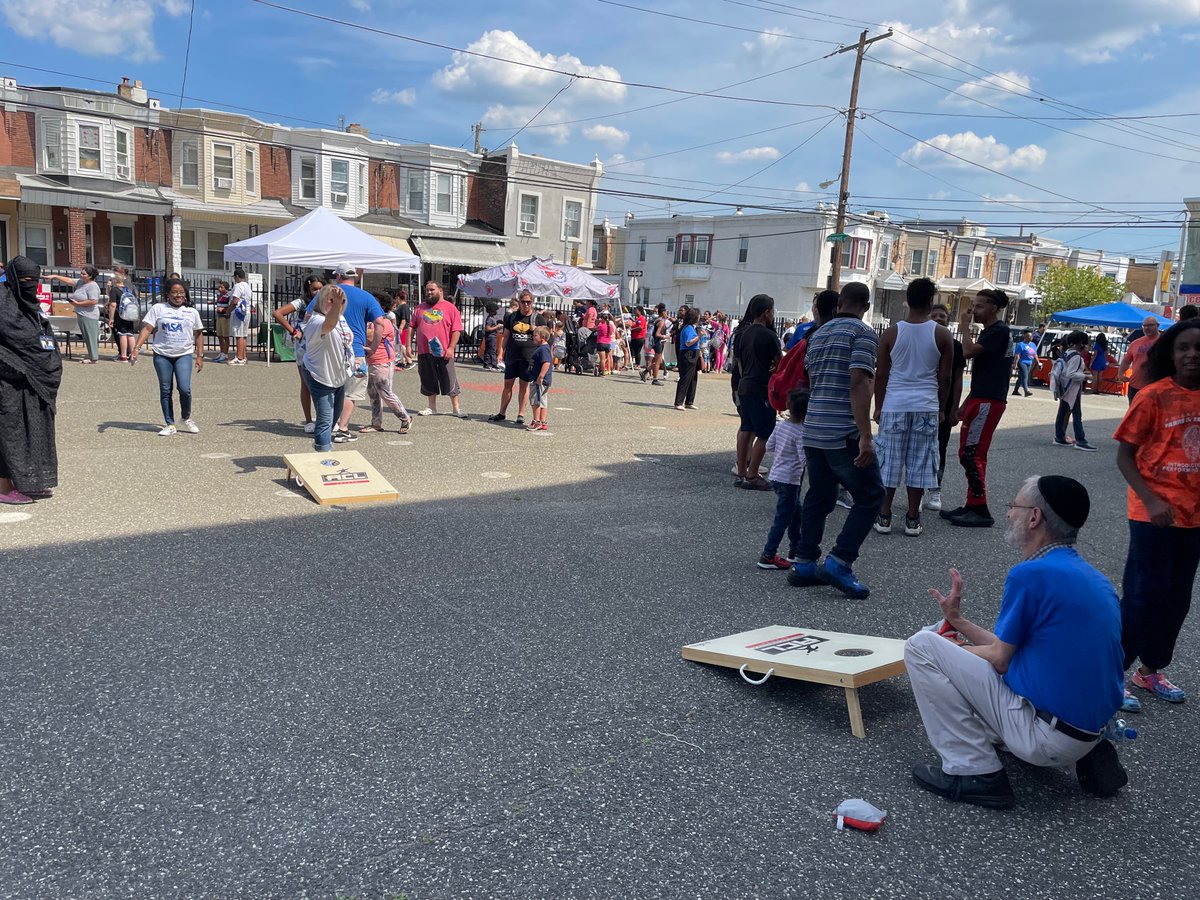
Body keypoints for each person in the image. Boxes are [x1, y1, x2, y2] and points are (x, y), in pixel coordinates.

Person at [905, 475, 1124, 810]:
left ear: (1034, 517)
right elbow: (1010, 649)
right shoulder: (1093, 578)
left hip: (1049, 738)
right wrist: (958, 622)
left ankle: (974, 771)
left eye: (1014, 506)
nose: (1008, 514)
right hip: (1088, 731)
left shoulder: (1030, 574)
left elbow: (1000, 659)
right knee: (947, 649)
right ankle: (1080, 754)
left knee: (922, 645)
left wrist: (955, 648)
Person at [1114, 319, 1200, 709]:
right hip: (1153, 515)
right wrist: (1150, 500)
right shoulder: (1153, 396)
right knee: (1141, 597)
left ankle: (1149, 671)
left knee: (1177, 599)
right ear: (1171, 353)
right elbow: (1125, 456)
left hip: (1193, 518)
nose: (1192, 355)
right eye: (1184, 347)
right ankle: (1113, 674)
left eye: (1199, 348)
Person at [786, 282, 883, 599]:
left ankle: (804, 562)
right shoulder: (863, 333)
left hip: (815, 427)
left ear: (839, 303)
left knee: (819, 495)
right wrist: (865, 435)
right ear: (865, 306)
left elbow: (814, 381)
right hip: (843, 430)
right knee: (871, 495)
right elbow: (858, 382)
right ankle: (840, 561)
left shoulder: (817, 335)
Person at [872, 277, 953, 538]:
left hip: (895, 403)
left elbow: (881, 374)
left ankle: (884, 515)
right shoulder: (942, 334)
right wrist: (942, 408)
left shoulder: (890, 333)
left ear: (907, 301)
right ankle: (912, 517)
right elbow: (945, 377)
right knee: (919, 461)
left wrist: (878, 406)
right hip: (926, 404)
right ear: (931, 302)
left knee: (889, 460)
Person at [941, 290, 1013, 529]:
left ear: (994, 308)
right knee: (969, 452)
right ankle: (972, 503)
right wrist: (965, 404)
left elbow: (967, 352)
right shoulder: (991, 332)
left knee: (972, 454)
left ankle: (980, 508)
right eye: (973, 305)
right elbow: (987, 374)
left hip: (988, 401)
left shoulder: (999, 331)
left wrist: (964, 327)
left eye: (979, 306)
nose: (973, 310)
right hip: (982, 398)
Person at [0, 256, 61, 504]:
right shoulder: (3, 304)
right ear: (13, 279)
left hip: (36, 381)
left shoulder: (32, 306)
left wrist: (49, 364)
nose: (30, 285)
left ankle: (28, 480)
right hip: (8, 380)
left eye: (34, 281)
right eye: (25, 280)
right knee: (9, 431)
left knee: (33, 430)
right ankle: (4, 487)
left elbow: (43, 336)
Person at [311, 263, 388, 440]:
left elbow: (310, 316)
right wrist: (373, 348)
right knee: (351, 392)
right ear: (354, 277)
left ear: (338, 276)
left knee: (329, 388)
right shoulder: (366, 296)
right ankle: (342, 428)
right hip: (356, 351)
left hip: (328, 351)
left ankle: (328, 424)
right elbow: (380, 323)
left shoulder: (327, 293)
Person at [131, 277, 204, 436]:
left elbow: (198, 333)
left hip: (183, 354)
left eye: (181, 292)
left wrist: (200, 356)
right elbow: (147, 328)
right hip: (162, 355)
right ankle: (170, 424)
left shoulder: (191, 312)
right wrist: (136, 348)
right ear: (167, 294)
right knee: (165, 389)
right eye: (174, 292)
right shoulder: (158, 308)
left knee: (184, 389)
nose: (178, 295)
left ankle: (186, 417)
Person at [732, 294, 782, 491]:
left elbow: (740, 364)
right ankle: (753, 474)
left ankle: (742, 472)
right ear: (767, 312)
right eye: (772, 311)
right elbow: (780, 364)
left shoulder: (743, 334)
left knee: (746, 427)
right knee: (764, 432)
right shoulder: (769, 336)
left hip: (744, 384)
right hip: (761, 387)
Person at [757, 388, 809, 570]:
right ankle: (768, 554)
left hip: (777, 476)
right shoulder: (801, 433)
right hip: (790, 480)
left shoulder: (780, 426)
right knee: (783, 519)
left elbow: (769, 446)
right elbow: (804, 459)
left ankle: (795, 549)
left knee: (796, 514)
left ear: (788, 405)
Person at [301, 285, 353, 453]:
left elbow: (346, 340)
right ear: (322, 300)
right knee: (325, 419)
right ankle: (323, 453)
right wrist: (336, 305)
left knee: (333, 419)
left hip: (338, 377)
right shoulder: (316, 320)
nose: (337, 304)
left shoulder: (341, 318)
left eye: (342, 301)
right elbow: (329, 324)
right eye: (331, 300)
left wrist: (354, 360)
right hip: (320, 375)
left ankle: (320, 444)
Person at [926, 305, 965, 514]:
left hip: (945, 403)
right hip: (922, 401)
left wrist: (954, 407)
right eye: (934, 315)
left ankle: (935, 489)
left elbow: (957, 378)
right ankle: (915, 490)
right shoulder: (922, 341)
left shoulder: (955, 345)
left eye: (942, 316)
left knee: (939, 447)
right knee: (916, 448)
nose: (938, 318)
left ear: (948, 320)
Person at [272, 274, 322, 433]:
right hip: (304, 346)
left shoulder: (327, 302)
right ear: (308, 288)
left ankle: (323, 418)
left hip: (321, 345)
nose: (318, 292)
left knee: (323, 383)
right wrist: (294, 332)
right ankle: (308, 420)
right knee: (306, 383)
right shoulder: (301, 302)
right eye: (314, 289)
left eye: (321, 288)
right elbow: (277, 313)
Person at [358, 292, 412, 435]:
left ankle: (405, 417)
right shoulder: (372, 322)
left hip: (382, 362)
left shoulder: (384, 322)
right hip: (372, 361)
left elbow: (369, 337)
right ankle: (376, 423)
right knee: (373, 393)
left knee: (385, 392)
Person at [411, 281, 465, 417]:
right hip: (425, 351)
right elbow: (412, 326)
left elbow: (457, 330)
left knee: (449, 378)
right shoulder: (420, 308)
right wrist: (407, 346)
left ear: (440, 291)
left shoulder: (450, 308)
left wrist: (451, 348)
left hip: (444, 351)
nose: (429, 292)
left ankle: (456, 409)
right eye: (427, 290)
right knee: (428, 378)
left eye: (432, 290)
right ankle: (432, 407)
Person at [489, 289, 537, 424]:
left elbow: (545, 337)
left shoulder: (537, 318)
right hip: (512, 355)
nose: (526, 304)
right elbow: (506, 336)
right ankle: (502, 412)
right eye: (523, 302)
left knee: (524, 385)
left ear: (532, 302)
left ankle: (521, 414)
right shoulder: (512, 317)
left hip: (528, 356)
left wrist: (535, 330)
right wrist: (500, 352)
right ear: (519, 302)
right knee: (508, 384)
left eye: (528, 302)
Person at [1051, 330, 1097, 451]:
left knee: (1062, 412)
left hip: (1064, 387)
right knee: (1077, 414)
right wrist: (1085, 376)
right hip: (1073, 388)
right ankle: (1080, 440)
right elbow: (1071, 373)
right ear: (1080, 343)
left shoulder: (1067, 353)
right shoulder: (1076, 356)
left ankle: (1059, 436)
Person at [45, 266, 102, 364]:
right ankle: (92, 356)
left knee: (91, 336)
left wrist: (78, 304)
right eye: (81, 273)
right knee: (86, 336)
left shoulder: (92, 286)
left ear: (90, 276)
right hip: (81, 313)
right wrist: (55, 276)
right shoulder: (81, 282)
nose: (81, 275)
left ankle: (93, 358)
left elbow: (93, 301)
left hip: (89, 314)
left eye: (84, 274)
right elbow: (69, 281)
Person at [1118, 316, 1161, 405]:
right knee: (1134, 410)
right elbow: (1126, 361)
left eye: (1150, 325)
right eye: (1144, 326)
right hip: (1135, 385)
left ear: (1157, 326)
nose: (1146, 328)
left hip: (1156, 386)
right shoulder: (1136, 343)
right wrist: (1121, 374)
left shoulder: (1165, 341)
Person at [106, 267, 140, 363]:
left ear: (115, 280)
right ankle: (133, 356)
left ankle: (123, 356)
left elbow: (113, 304)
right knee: (130, 334)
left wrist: (111, 318)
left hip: (120, 315)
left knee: (122, 334)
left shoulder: (115, 290)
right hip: (130, 315)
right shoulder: (128, 290)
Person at [674, 307, 701, 411]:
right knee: (685, 378)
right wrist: (699, 336)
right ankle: (678, 402)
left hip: (693, 353)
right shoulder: (688, 328)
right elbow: (688, 342)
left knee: (693, 378)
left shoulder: (691, 327)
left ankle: (689, 401)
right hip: (688, 354)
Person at [527, 326, 553, 432]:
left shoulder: (543, 349)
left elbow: (546, 363)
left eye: (535, 335)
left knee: (535, 401)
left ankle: (537, 421)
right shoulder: (543, 348)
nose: (533, 337)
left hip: (540, 380)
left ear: (542, 337)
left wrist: (540, 376)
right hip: (542, 380)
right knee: (542, 400)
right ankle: (543, 422)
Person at [227, 268, 253, 366]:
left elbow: (235, 301)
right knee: (244, 335)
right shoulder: (247, 286)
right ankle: (244, 356)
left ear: (237, 276)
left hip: (238, 312)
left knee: (239, 335)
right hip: (246, 311)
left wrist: (228, 311)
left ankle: (239, 358)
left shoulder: (238, 286)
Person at [642, 303, 670, 385]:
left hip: (654, 342)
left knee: (659, 361)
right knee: (658, 362)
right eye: (666, 312)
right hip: (658, 342)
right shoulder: (661, 322)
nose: (667, 314)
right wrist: (665, 336)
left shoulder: (656, 320)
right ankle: (655, 379)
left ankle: (645, 371)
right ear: (663, 312)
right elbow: (657, 334)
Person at [391, 288, 413, 368]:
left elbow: (404, 320)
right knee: (400, 345)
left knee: (402, 345)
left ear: (398, 298)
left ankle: (409, 361)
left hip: (403, 328)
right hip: (402, 328)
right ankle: (402, 361)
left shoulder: (403, 307)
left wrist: (400, 328)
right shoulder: (402, 307)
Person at [1012, 329, 1037, 398]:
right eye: (1029, 336)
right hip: (1022, 362)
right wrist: (1015, 364)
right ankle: (1026, 391)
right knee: (1025, 376)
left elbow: (1035, 354)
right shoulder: (1021, 344)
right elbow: (1017, 355)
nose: (1031, 337)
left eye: (1031, 336)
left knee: (1021, 377)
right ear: (1025, 337)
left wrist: (1038, 362)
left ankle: (1015, 390)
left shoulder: (1033, 344)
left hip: (1029, 362)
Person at [213, 279, 232, 362]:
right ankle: (221, 352)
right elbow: (219, 303)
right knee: (219, 335)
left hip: (225, 317)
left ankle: (225, 354)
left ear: (226, 288)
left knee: (225, 336)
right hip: (219, 316)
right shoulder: (219, 295)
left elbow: (230, 306)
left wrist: (223, 309)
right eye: (219, 287)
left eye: (221, 287)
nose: (219, 288)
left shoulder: (228, 295)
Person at [481, 300, 502, 371]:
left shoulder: (491, 318)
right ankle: (493, 364)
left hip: (492, 336)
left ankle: (488, 364)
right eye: (495, 310)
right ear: (492, 310)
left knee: (489, 350)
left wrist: (497, 328)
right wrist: (497, 327)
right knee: (492, 350)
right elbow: (487, 328)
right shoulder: (490, 319)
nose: (496, 311)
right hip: (491, 337)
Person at [594, 310, 614, 376]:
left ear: (602, 319)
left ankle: (603, 372)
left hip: (601, 342)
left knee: (602, 359)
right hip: (608, 343)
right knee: (606, 358)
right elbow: (611, 333)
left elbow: (594, 328)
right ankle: (603, 369)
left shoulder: (601, 326)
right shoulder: (610, 326)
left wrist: (597, 322)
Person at [628, 306, 647, 371]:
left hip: (639, 337)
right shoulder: (637, 319)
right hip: (634, 337)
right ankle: (636, 363)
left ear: (639, 311)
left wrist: (632, 329)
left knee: (637, 351)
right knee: (634, 351)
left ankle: (638, 364)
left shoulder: (641, 318)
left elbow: (640, 328)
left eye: (636, 310)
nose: (635, 311)